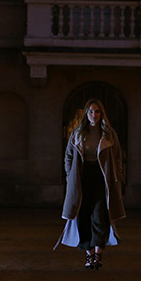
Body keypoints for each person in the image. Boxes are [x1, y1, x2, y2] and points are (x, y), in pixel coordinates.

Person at [56, 98, 125, 269]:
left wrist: (117, 175)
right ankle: (89, 254)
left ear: (102, 114)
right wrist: (69, 175)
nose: (94, 115)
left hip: (102, 178)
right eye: (91, 111)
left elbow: (117, 157)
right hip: (82, 177)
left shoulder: (109, 133)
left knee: (100, 215)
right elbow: (68, 156)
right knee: (83, 215)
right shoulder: (77, 133)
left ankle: (98, 254)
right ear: (86, 114)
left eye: (97, 111)